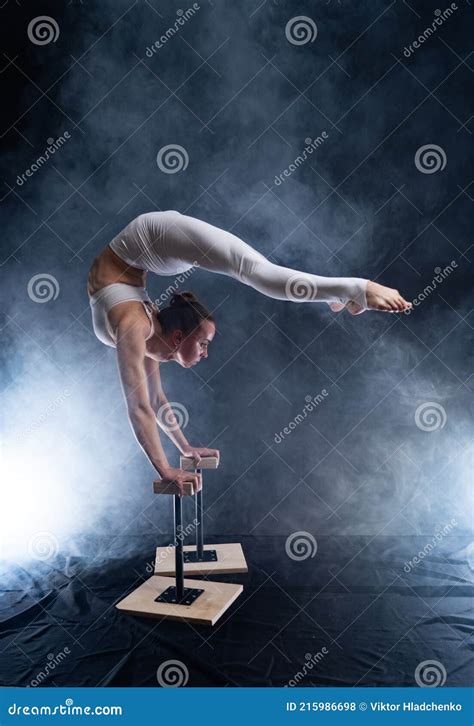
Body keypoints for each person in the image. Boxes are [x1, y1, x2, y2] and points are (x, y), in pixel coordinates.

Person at [87, 210, 412, 491]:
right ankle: (337, 296)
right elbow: (156, 403)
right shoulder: (148, 338)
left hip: (151, 238)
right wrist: (184, 451)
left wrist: (166, 472)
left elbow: (139, 408)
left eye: (204, 344)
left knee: (254, 271)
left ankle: (356, 288)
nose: (205, 353)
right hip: (144, 254)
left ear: (176, 337)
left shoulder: (134, 325)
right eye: (204, 343)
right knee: (253, 271)